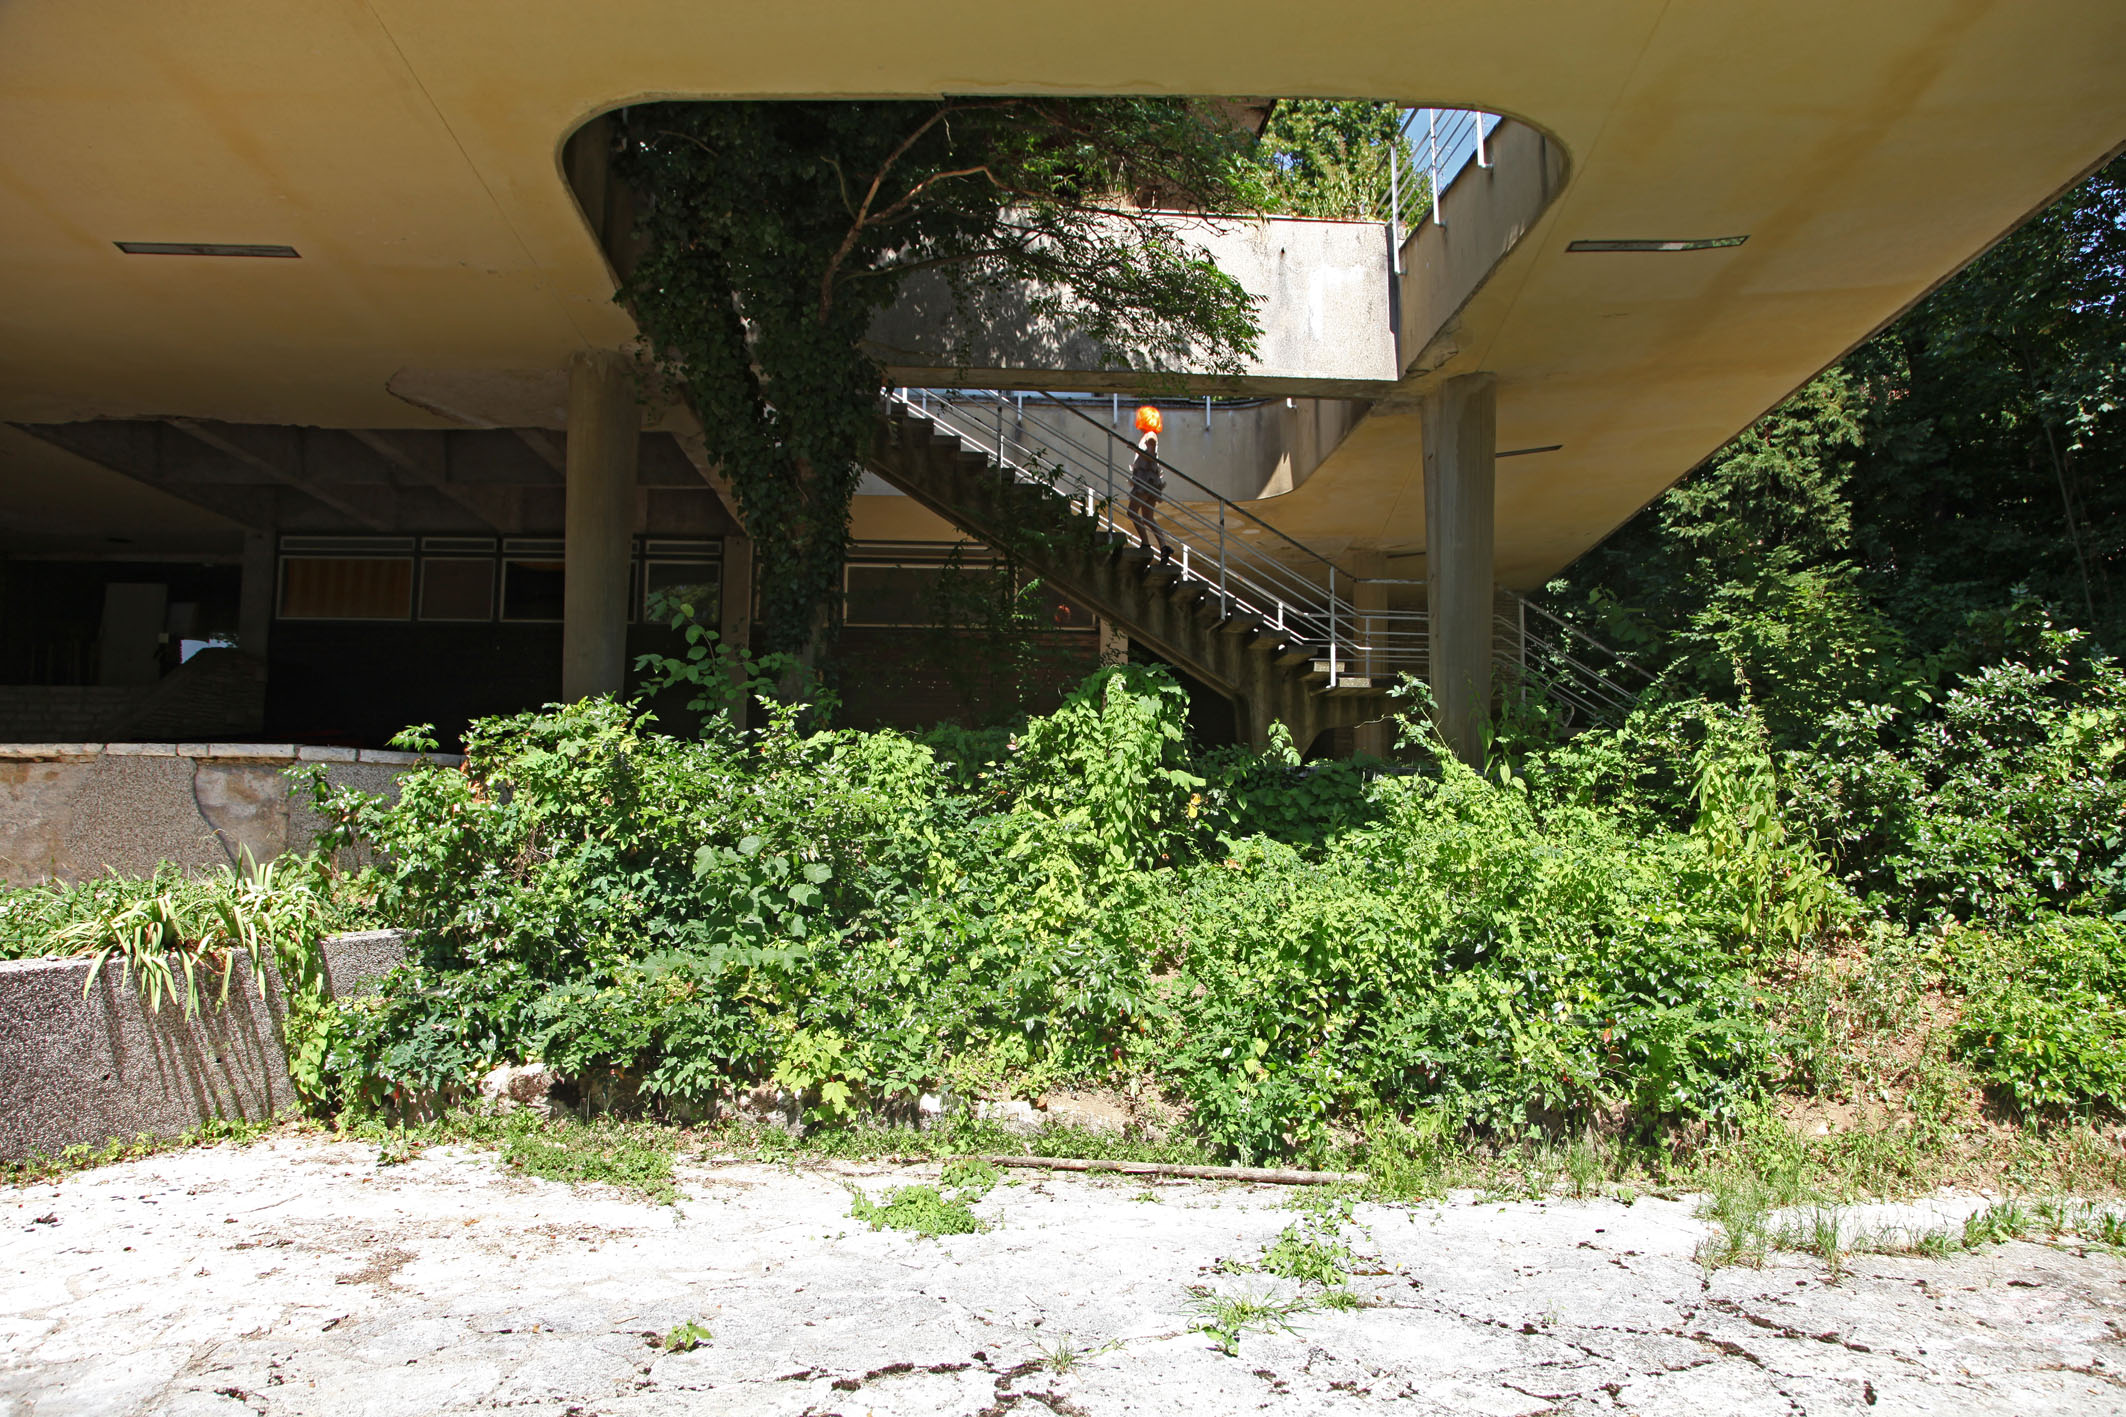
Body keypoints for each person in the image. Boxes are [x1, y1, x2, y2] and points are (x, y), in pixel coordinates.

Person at [1126, 404, 1173, 558]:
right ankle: (1163, 547)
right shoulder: (1149, 436)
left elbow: (1151, 456)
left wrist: (1135, 449)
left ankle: (1146, 543)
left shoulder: (1150, 436)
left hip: (1145, 481)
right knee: (1148, 517)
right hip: (1150, 481)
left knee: (1132, 512)